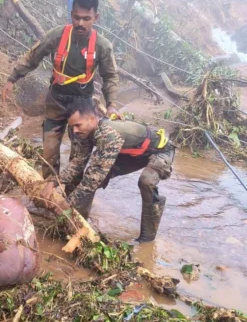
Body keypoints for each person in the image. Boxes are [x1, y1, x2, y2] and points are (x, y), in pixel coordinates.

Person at [2, 0, 119, 177]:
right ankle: (49, 195)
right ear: (71, 14)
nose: (80, 23)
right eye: (76, 17)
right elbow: (33, 56)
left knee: (78, 156)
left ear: (96, 17)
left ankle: (71, 197)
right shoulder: (56, 36)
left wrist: (111, 105)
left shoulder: (102, 46)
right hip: (56, 101)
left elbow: (111, 76)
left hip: (83, 105)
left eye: (86, 18)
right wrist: (12, 78)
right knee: (48, 154)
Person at [52, 98, 175, 242]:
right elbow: (79, 162)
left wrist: (66, 203)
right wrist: (54, 182)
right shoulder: (83, 132)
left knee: (146, 181)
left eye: (78, 125)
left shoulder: (108, 135)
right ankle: (79, 224)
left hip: (159, 151)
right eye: (72, 127)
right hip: (132, 153)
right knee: (95, 178)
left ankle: (147, 238)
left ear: (92, 119)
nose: (75, 130)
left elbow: (92, 179)